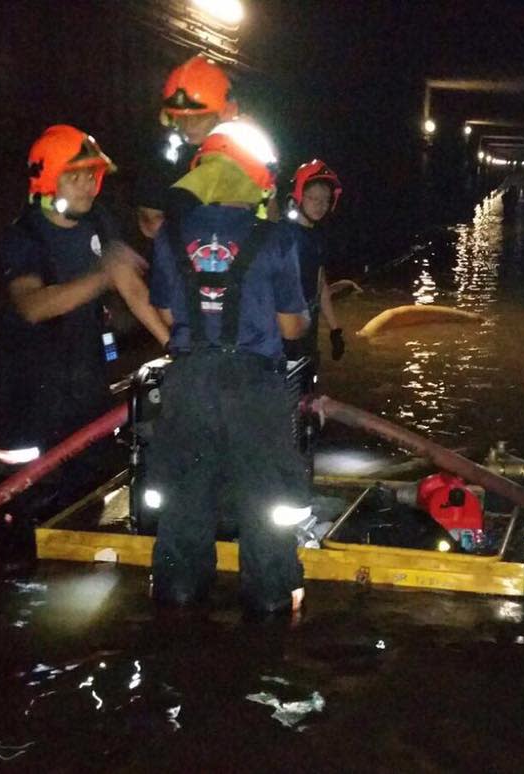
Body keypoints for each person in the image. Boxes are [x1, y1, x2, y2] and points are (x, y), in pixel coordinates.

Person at [145, 119, 311, 615]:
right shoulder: (278, 238)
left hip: (189, 383)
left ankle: (177, 593)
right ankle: (271, 597)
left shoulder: (168, 237)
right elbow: (291, 328)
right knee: (266, 502)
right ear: (256, 180)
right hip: (254, 388)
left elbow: (168, 313)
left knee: (185, 496)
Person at [0, 124, 169, 483]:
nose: (90, 186)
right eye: (78, 178)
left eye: (93, 176)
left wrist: (178, 347)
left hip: (87, 398)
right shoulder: (23, 236)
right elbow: (32, 306)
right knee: (35, 515)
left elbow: (133, 290)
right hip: (33, 409)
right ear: (49, 180)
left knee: (89, 504)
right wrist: (103, 275)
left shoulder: (98, 221)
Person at [134, 55, 238, 242]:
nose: (189, 125)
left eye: (199, 117)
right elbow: (150, 224)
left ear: (224, 112)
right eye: (181, 117)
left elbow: (267, 218)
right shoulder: (162, 156)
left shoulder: (246, 154)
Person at [283, 159, 346, 365]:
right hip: (285, 329)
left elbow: (320, 284)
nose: (321, 205)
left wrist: (335, 329)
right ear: (300, 195)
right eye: (315, 199)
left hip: (308, 324)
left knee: (307, 385)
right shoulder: (282, 237)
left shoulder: (317, 236)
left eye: (326, 200)